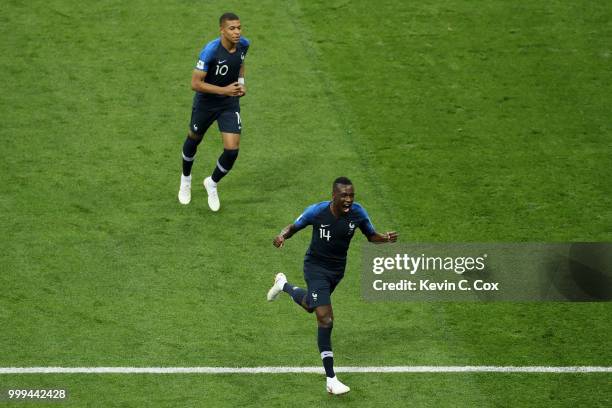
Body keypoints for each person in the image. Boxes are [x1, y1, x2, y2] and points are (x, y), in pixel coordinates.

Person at [267, 177, 398, 394]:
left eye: (351, 195)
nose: (348, 200)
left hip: (336, 272)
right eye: (344, 195)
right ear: (333, 196)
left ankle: (283, 285)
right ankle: (331, 379)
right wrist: (282, 236)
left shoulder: (358, 213)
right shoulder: (316, 212)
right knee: (325, 319)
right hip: (315, 268)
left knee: (311, 305)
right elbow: (293, 226)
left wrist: (385, 239)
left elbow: (371, 236)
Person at [178, 12, 249, 210]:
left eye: (239, 27)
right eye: (232, 29)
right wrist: (224, 90)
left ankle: (212, 183)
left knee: (232, 150)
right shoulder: (210, 51)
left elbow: (240, 63)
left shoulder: (244, 44)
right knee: (194, 138)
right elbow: (195, 84)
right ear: (222, 31)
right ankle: (186, 179)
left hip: (229, 103)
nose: (237, 32)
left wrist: (241, 83)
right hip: (206, 103)